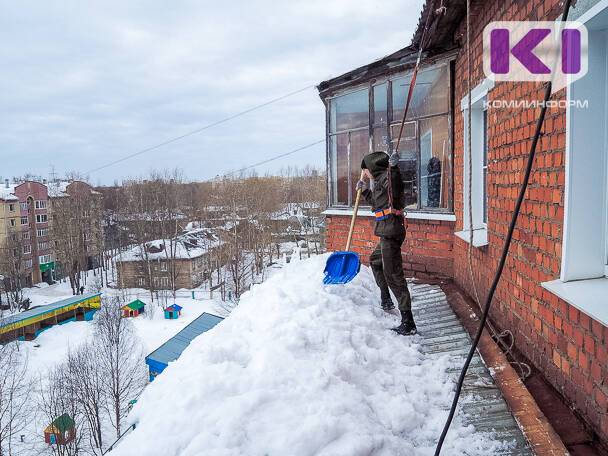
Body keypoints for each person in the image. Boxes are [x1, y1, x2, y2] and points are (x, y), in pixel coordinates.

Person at [356, 151, 417, 336]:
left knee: (394, 275)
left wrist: (395, 168)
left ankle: (408, 322)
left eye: (366, 170)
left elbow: (395, 185)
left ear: (373, 167)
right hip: (386, 232)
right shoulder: (380, 181)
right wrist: (365, 189)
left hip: (391, 232)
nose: (365, 173)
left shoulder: (388, 177)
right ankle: (385, 298)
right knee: (375, 261)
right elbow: (377, 203)